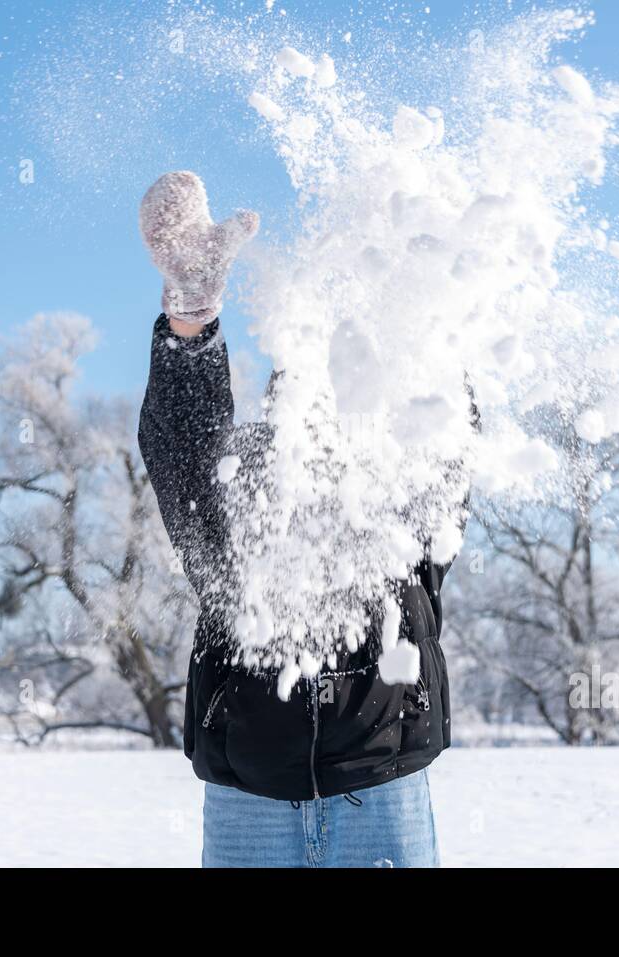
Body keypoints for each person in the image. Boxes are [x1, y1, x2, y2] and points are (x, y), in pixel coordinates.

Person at [137, 171, 459, 868]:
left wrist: (425, 306)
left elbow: (449, 443)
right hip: (250, 797)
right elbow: (183, 453)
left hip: (382, 785)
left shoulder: (392, 470)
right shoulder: (244, 476)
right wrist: (191, 316)